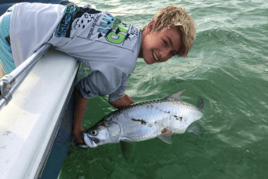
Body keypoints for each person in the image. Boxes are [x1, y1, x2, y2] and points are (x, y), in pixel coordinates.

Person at [0, 2, 195, 146]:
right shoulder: (121, 64)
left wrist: (152, 116)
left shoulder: (128, 34)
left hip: (21, 12)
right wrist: (77, 130)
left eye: (172, 53)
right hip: (14, 33)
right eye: (165, 43)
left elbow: (117, 97)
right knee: (24, 104)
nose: (163, 54)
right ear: (152, 26)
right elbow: (82, 91)